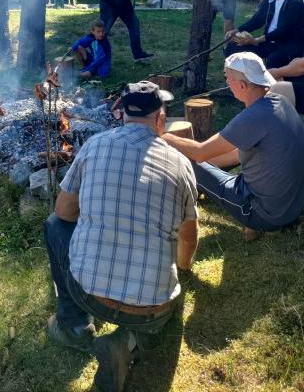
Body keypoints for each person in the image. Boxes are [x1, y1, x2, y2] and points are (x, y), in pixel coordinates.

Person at [43, 80, 198, 392]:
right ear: (160, 119)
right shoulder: (181, 165)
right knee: (152, 313)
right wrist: (183, 268)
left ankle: (75, 326)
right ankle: (127, 341)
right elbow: (188, 237)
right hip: (152, 308)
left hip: (88, 293)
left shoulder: (94, 145)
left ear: (122, 114)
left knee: (54, 226)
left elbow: (63, 212)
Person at [162, 52, 304, 239]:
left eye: (227, 78)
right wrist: (207, 164)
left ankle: (173, 200)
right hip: (292, 208)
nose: (226, 82)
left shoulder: (253, 118)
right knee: (203, 164)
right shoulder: (281, 102)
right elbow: (236, 154)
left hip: (265, 215)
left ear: (242, 85)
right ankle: (198, 186)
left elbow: (200, 152)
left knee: (186, 161)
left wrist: (163, 135)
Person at [224, 0, 304, 68]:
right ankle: (234, 76)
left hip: (288, 44)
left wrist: (257, 40)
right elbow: (257, 19)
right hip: (268, 42)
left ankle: (264, 78)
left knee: (273, 59)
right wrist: (237, 30)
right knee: (233, 47)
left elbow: (283, 31)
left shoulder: (295, 3)